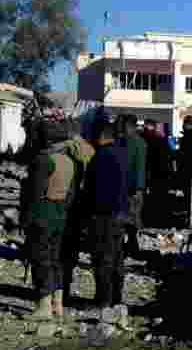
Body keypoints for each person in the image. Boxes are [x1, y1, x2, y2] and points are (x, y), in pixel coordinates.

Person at [19, 118, 75, 318]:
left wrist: (24, 220)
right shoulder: (68, 161)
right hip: (60, 215)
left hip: (42, 215)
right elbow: (71, 194)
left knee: (40, 259)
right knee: (55, 260)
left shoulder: (43, 160)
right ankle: (57, 304)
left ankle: (43, 306)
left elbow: (34, 194)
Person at [81, 114, 129, 308]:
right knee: (117, 258)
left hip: (103, 215)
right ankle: (116, 297)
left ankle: (104, 299)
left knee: (102, 259)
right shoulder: (121, 154)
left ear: (101, 136)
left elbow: (91, 189)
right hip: (120, 214)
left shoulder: (99, 157)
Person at [58, 126, 96, 306]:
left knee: (59, 253)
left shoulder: (61, 153)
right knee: (70, 253)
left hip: (64, 207)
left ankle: (60, 291)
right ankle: (65, 288)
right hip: (78, 208)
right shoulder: (87, 153)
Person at [118, 114, 147, 258]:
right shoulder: (124, 141)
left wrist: (139, 188)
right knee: (126, 218)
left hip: (133, 188)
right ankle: (128, 246)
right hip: (126, 187)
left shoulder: (137, 143)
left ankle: (132, 246)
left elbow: (140, 167)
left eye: (125, 126)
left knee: (132, 218)